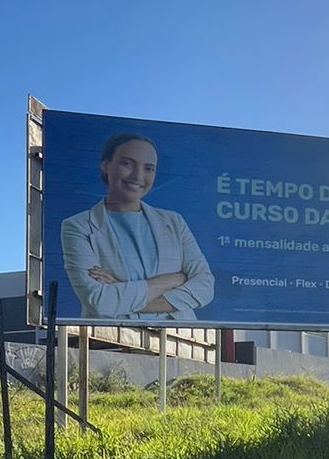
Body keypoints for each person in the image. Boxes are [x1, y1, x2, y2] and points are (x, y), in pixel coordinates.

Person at [60, 133, 215, 321]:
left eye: (149, 168)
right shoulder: (78, 227)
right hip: (113, 342)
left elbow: (205, 286)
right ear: (105, 165)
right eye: (127, 163)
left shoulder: (174, 222)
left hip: (179, 340)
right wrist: (174, 279)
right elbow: (100, 302)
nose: (138, 176)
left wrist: (123, 291)